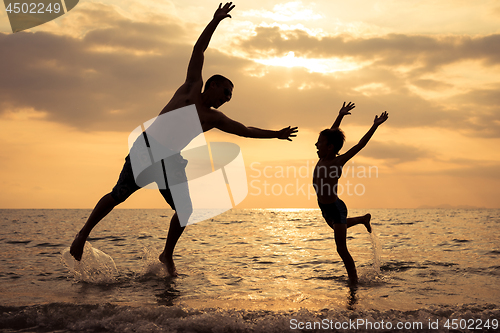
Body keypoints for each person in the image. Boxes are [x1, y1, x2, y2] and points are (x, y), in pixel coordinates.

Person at [70, 2, 298, 277]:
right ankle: (83, 234)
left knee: (186, 210)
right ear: (212, 85)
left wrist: (276, 134)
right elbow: (198, 50)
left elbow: (245, 129)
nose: (226, 99)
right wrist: (214, 21)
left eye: (230, 97)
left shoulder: (213, 119)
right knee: (118, 195)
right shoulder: (191, 89)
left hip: (170, 161)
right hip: (147, 149)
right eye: (225, 92)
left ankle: (167, 254)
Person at [313, 101, 388, 284]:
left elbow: (360, 145)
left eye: (320, 142)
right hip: (323, 206)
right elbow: (332, 132)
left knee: (341, 248)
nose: (316, 144)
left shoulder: (337, 162)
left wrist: (374, 126)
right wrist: (340, 115)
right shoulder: (322, 156)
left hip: (336, 207)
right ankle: (363, 219)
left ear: (330, 147)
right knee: (337, 228)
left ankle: (353, 281)